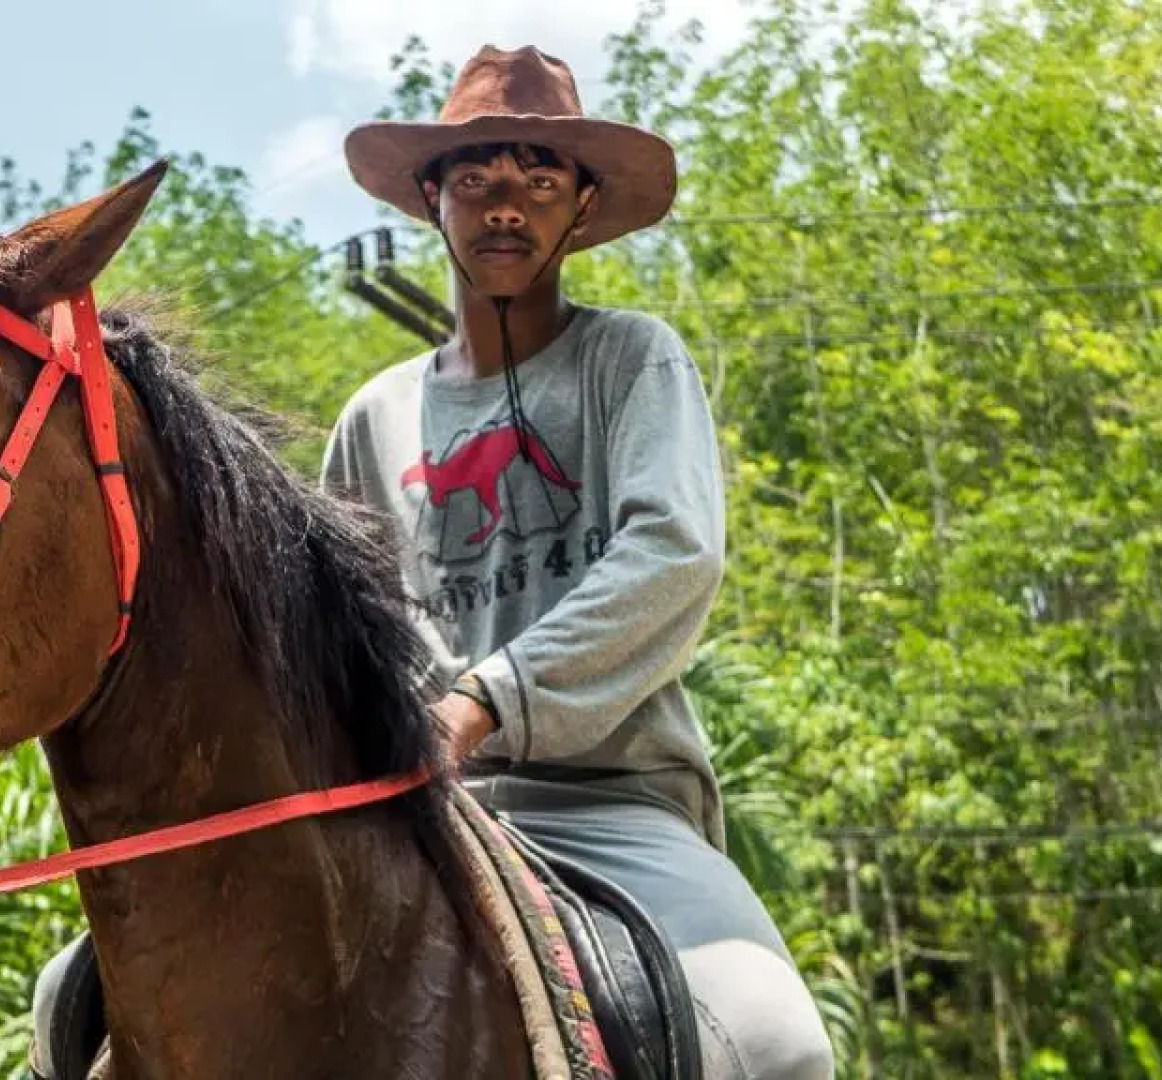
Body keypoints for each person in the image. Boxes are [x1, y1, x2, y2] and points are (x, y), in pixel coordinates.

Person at [320, 44, 835, 1079]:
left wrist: (484, 701)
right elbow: (331, 634)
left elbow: (672, 555)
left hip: (611, 798)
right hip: (416, 809)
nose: (505, 204)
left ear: (583, 206)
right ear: (432, 201)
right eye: (475, 179)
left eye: (540, 180)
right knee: (94, 993)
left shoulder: (632, 359)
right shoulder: (374, 416)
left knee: (778, 1045)